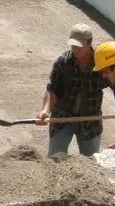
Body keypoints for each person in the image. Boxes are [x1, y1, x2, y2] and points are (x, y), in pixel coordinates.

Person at [36, 22, 109, 157]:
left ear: (90, 42)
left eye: (79, 46)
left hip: (90, 121)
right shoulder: (62, 62)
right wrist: (45, 110)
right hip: (62, 119)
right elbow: (52, 89)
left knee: (91, 164)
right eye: (73, 45)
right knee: (55, 161)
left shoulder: (100, 63)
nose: (75, 49)